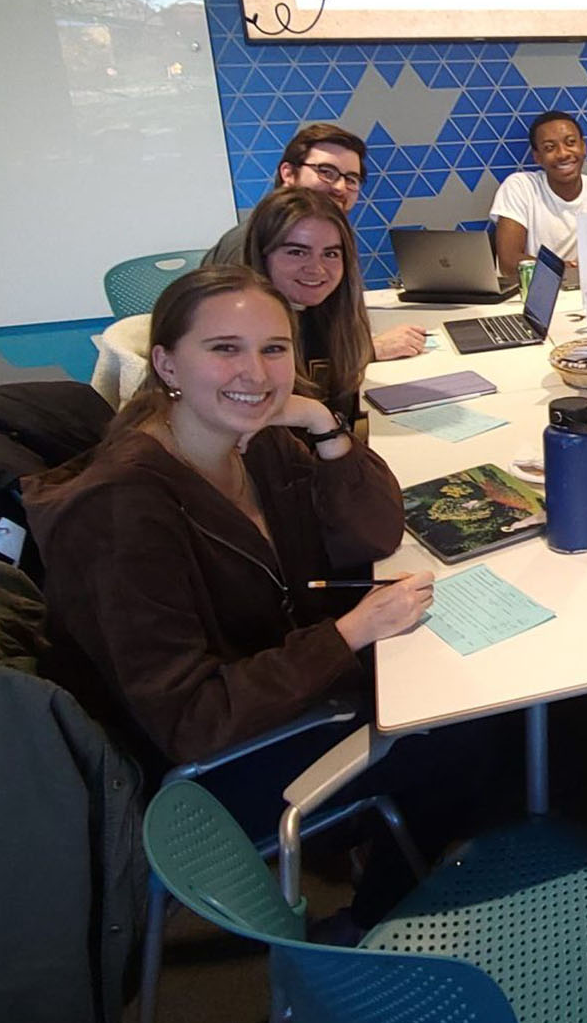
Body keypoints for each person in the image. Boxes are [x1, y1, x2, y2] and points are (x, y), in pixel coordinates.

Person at [23, 266, 434, 768]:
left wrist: (321, 423)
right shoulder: (120, 512)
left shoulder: (254, 440)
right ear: (167, 365)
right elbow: (190, 720)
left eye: (274, 349)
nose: (257, 375)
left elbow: (375, 534)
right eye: (224, 348)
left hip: (294, 686)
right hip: (230, 765)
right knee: (481, 739)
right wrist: (346, 634)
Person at [204, 122, 426, 360]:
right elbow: (255, 365)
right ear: (288, 173)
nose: (340, 187)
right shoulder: (248, 244)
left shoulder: (332, 234)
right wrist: (368, 351)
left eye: (351, 178)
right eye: (326, 172)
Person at [240, 187, 376, 425]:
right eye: (297, 252)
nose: (316, 269)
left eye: (331, 254)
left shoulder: (332, 315)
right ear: (262, 255)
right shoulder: (241, 334)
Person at [490, 110, 587, 275]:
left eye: (570, 142)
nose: (562, 154)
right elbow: (509, 263)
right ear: (537, 157)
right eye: (549, 148)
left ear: (583, 147)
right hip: (531, 295)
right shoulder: (520, 187)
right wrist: (563, 270)